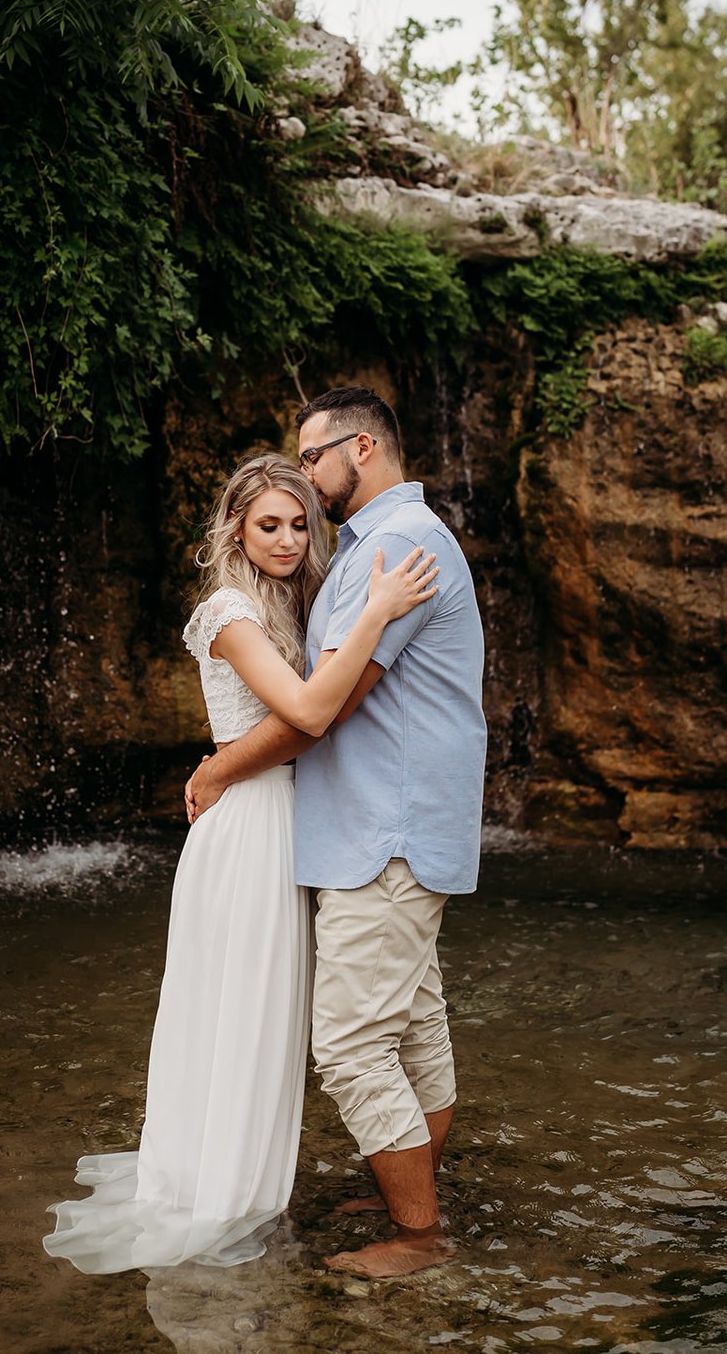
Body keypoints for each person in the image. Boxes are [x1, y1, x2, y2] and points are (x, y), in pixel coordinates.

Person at [43, 452, 437, 1274]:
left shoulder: (293, 605)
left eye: (301, 524)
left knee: (275, 1014)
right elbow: (304, 711)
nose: (289, 539)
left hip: (294, 820)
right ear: (234, 529)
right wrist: (381, 609)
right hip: (250, 828)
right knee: (237, 1010)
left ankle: (261, 1179)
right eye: (269, 525)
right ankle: (219, 1187)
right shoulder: (225, 611)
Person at [186, 387, 487, 1279]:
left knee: (354, 1045)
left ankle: (419, 1237)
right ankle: (411, 1189)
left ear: (361, 447)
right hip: (383, 826)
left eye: (313, 459)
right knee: (413, 1028)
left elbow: (328, 707)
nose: (308, 484)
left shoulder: (397, 543)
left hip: (380, 830)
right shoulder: (365, 548)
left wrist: (216, 768)